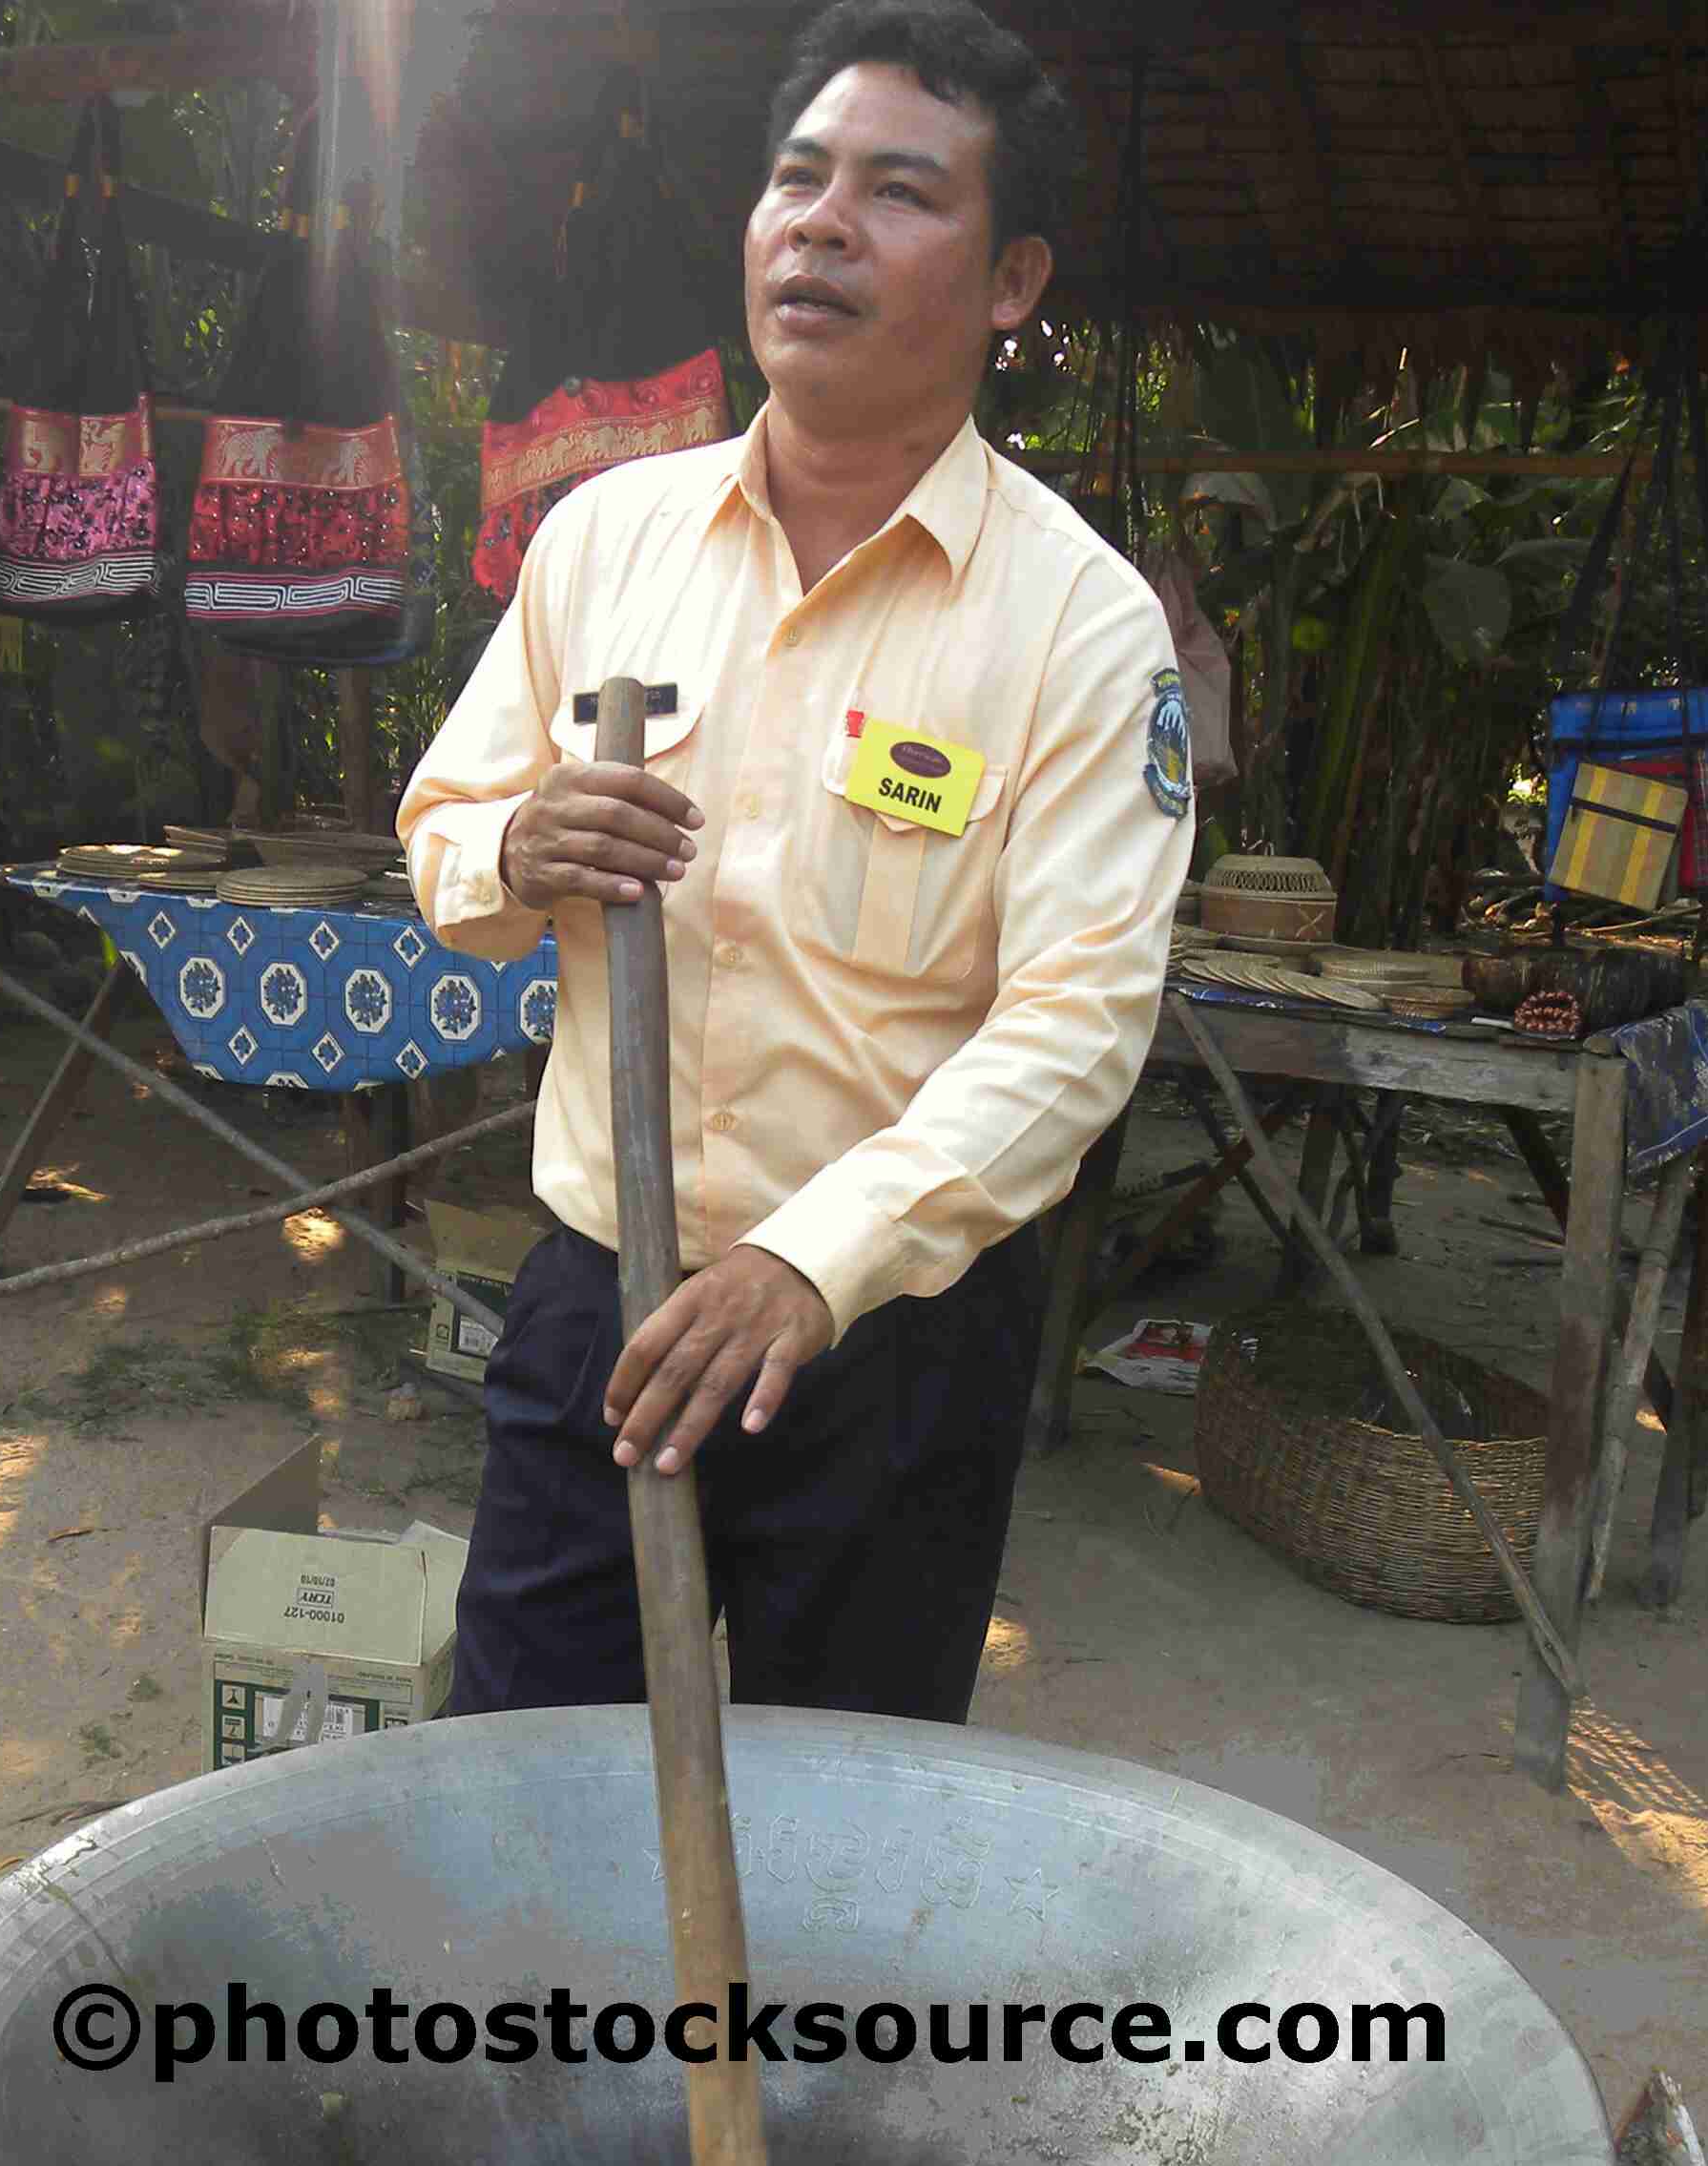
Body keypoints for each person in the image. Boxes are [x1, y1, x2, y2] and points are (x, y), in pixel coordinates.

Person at [398, 0, 1193, 1727]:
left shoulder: (1076, 623)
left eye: (899, 193)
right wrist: (521, 847)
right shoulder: (605, 536)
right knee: (529, 1780)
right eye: (797, 177)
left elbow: (1076, 1028)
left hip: (890, 1345)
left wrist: (811, 1262)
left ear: (1011, 282)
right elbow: (445, 836)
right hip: (596, 1305)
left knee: (850, 1826)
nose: (820, 223)